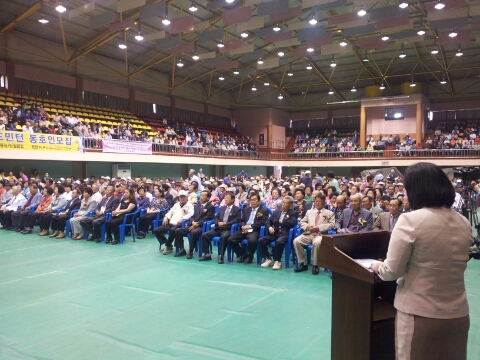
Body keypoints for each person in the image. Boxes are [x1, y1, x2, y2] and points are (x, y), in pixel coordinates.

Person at [370, 162, 471, 360]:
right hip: (458, 314)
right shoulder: (463, 221)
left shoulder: (410, 220)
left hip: (419, 314)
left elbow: (391, 270)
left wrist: (375, 265)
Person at [293, 194, 335, 275]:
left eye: (320, 202)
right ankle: (303, 263)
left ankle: (315, 265)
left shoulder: (329, 213)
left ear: (324, 203)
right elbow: (302, 222)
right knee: (296, 241)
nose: (318, 203)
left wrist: (318, 228)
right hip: (309, 233)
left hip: (320, 234)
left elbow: (331, 225)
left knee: (317, 243)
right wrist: (308, 226)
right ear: (314, 202)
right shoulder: (309, 212)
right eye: (316, 201)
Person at [199, 193, 241, 263]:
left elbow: (237, 220)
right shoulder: (222, 208)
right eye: (225, 197)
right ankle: (207, 254)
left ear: (233, 200)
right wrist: (218, 223)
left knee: (224, 237)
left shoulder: (237, 209)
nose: (225, 199)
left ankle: (221, 256)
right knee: (204, 235)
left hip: (227, 229)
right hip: (218, 228)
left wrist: (226, 223)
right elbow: (216, 217)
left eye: (227, 197)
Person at [258, 196, 298, 270]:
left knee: (279, 242)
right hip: (274, 232)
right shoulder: (276, 212)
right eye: (283, 202)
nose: (283, 204)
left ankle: (277, 261)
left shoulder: (293, 213)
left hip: (284, 233)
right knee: (261, 240)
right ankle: (268, 259)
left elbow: (292, 223)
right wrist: (269, 227)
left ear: (290, 205)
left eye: (286, 203)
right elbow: (268, 221)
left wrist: (283, 221)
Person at [227, 193, 269, 264]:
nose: (252, 201)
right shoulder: (246, 209)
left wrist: (250, 226)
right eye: (251, 200)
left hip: (254, 230)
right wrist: (243, 226)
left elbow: (263, 222)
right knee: (231, 239)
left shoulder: (264, 210)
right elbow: (241, 220)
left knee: (252, 240)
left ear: (259, 201)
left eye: (254, 200)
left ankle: (250, 256)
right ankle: (243, 254)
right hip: (244, 229)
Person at [173, 190, 215, 259]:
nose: (201, 197)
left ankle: (190, 251)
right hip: (193, 224)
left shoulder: (210, 207)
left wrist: (197, 224)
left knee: (193, 232)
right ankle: (182, 249)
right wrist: (192, 222)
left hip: (202, 226)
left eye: (204, 195)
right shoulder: (198, 206)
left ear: (208, 198)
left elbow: (208, 218)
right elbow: (192, 216)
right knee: (178, 230)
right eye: (201, 195)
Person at [154, 190, 194, 254]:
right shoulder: (176, 204)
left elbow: (191, 214)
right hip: (171, 222)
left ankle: (167, 246)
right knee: (157, 230)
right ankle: (169, 244)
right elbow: (170, 212)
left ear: (187, 197)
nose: (182, 198)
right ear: (179, 198)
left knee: (173, 230)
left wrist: (182, 218)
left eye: (184, 197)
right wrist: (166, 217)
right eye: (181, 197)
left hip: (181, 224)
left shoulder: (190, 205)